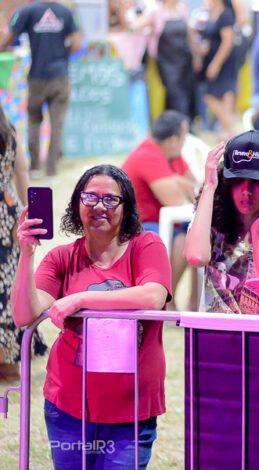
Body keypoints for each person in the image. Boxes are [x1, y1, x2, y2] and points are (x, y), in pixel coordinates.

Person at [12, 165, 172, 468]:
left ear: (126, 207)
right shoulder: (61, 258)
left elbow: (153, 295)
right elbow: (23, 314)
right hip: (68, 407)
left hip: (131, 411)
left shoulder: (146, 245)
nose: (99, 206)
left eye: (110, 199)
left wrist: (80, 300)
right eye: (90, 197)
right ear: (77, 204)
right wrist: (26, 255)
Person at [185, 130, 259, 314]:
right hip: (214, 329)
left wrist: (258, 234)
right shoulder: (209, 218)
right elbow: (196, 257)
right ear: (225, 181)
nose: (246, 190)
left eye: (256, 181)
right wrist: (209, 187)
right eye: (237, 180)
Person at [121, 110, 197, 309]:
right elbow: (175, 199)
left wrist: (176, 180)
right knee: (188, 235)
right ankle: (166, 300)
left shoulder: (171, 155)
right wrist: (180, 182)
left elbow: (197, 188)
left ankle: (193, 303)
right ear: (172, 140)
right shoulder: (148, 155)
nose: (185, 143)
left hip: (163, 221)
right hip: (138, 226)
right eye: (184, 138)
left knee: (198, 234)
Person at [0, 0, 81, 178]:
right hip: (60, 76)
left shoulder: (27, 11)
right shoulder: (66, 12)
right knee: (57, 123)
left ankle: (35, 167)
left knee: (34, 121)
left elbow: (7, 38)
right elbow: (76, 44)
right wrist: (61, 55)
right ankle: (52, 169)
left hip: (37, 76)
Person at [0, 105, 46, 382]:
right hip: (9, 213)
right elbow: (22, 174)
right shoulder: (9, 132)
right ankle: (10, 360)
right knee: (10, 285)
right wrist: (31, 215)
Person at [130, 0, 195, 117]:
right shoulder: (156, 12)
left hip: (184, 59)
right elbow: (135, 27)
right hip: (167, 61)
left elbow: (189, 33)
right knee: (174, 93)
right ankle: (181, 122)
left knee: (185, 93)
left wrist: (196, 52)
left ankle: (182, 121)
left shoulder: (181, 9)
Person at [194, 0, 237, 139]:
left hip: (223, 63)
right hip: (210, 59)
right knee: (217, 96)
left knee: (213, 95)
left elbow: (228, 41)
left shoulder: (226, 15)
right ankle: (227, 130)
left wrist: (216, 63)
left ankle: (229, 129)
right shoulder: (210, 13)